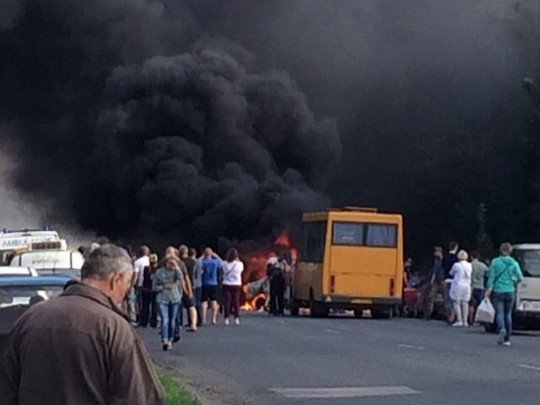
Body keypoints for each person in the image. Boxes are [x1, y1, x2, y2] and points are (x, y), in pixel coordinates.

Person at [0, 244, 165, 404]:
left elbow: (7, 389)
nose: (127, 291)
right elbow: (139, 397)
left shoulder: (30, 318)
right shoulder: (115, 329)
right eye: (128, 283)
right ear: (117, 279)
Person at [485, 242, 523, 346]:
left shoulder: (495, 262)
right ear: (510, 250)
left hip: (498, 291)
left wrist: (488, 290)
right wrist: (513, 281)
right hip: (510, 290)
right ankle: (507, 339)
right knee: (508, 314)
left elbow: (491, 278)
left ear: (501, 250)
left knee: (500, 313)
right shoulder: (514, 263)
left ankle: (501, 328)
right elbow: (520, 277)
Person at [153, 255, 186, 351]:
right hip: (162, 299)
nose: (171, 266)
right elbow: (154, 286)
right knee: (165, 319)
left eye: (173, 264)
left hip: (174, 298)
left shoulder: (176, 272)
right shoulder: (159, 273)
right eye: (169, 263)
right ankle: (165, 340)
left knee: (172, 320)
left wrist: (177, 267)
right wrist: (163, 287)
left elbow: (181, 279)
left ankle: (171, 339)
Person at [449, 250, 472, 327]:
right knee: (465, 303)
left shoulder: (456, 265)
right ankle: (465, 321)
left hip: (458, 285)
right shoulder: (469, 265)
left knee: (456, 302)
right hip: (467, 285)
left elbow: (451, 273)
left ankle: (459, 320)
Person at [222, 248, 244, 325]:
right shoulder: (240, 264)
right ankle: (236, 318)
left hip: (227, 284)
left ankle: (226, 318)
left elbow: (221, 264)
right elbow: (241, 271)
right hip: (237, 284)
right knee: (236, 301)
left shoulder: (224, 264)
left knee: (227, 301)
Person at [201, 247, 222, 325]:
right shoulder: (215, 262)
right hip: (214, 283)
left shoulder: (203, 262)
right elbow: (221, 263)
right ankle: (213, 319)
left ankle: (203, 318)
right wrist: (216, 255)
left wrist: (202, 256)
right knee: (214, 301)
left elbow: (197, 263)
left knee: (204, 301)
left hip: (204, 283)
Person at [468, 251, 489, 325]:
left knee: (471, 304)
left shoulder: (469, 265)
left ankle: (471, 320)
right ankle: (479, 320)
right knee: (480, 305)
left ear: (471, 257)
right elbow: (488, 274)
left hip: (471, 287)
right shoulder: (483, 265)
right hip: (480, 287)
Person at [132, 245, 151, 325]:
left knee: (140, 302)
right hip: (150, 284)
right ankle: (151, 318)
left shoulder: (137, 262)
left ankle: (141, 318)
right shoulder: (150, 260)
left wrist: (132, 284)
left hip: (141, 284)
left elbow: (136, 274)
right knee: (150, 302)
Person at [140, 253, 159, 328]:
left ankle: (144, 321)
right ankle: (153, 322)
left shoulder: (146, 268)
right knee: (154, 307)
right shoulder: (158, 269)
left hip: (146, 289)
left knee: (145, 306)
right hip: (154, 290)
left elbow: (145, 279)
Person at [442, 241, 459, 323]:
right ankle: (452, 316)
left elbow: (443, 268)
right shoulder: (457, 258)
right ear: (456, 247)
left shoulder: (445, 257)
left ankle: (448, 315)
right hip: (455, 280)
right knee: (454, 298)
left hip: (447, 279)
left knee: (447, 298)